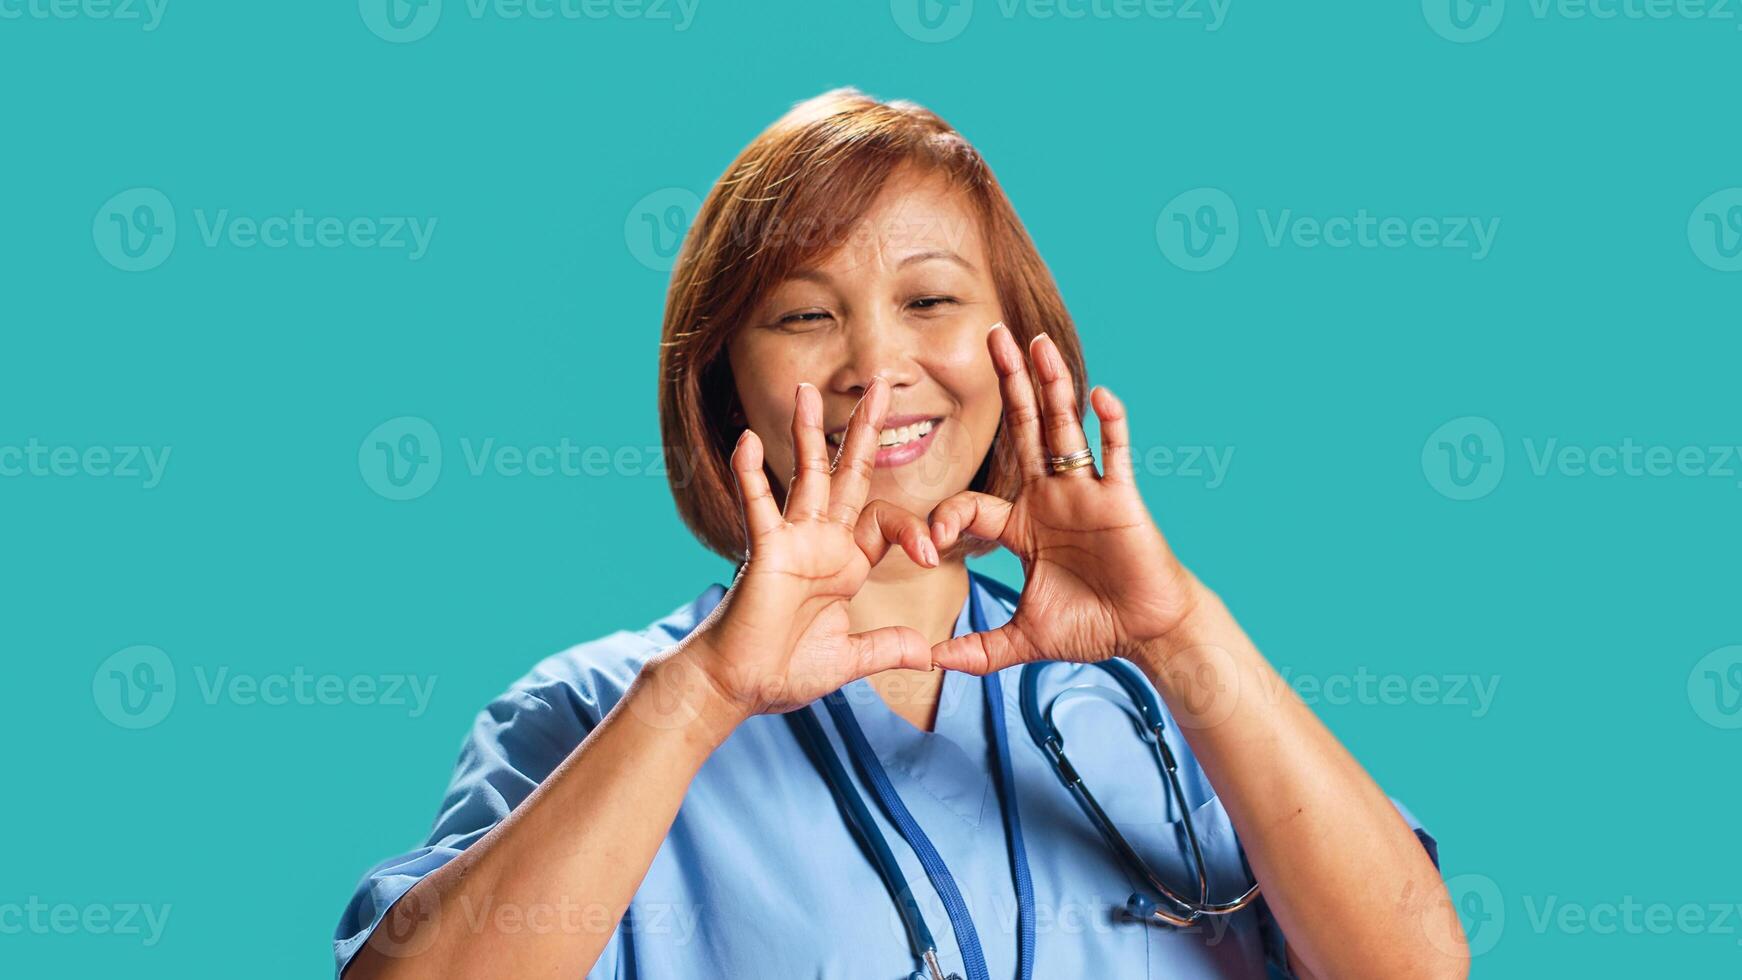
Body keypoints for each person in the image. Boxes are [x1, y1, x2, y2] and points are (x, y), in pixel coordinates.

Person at [334, 88, 1466, 980]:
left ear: (1018, 347)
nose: (877, 368)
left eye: (929, 301)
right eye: (804, 315)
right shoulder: (590, 715)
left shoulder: (1173, 708)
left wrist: (1175, 630)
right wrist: (700, 699)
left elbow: (1414, 964)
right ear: (725, 381)